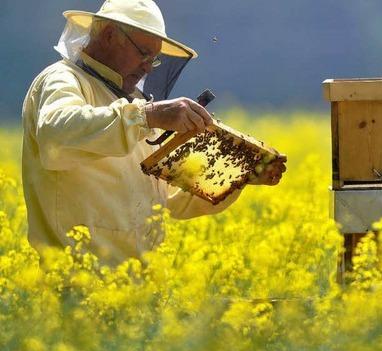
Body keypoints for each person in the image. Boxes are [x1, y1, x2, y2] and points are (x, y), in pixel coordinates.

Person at [21, 0, 286, 265]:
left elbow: (164, 199)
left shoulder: (132, 103)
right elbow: (56, 135)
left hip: (140, 288)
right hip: (75, 286)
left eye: (154, 59)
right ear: (110, 36)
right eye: (143, 53)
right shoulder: (62, 79)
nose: (148, 67)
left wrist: (238, 175)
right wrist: (148, 115)